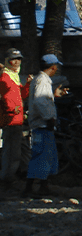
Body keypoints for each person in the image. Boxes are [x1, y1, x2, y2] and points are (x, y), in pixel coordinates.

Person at [25, 54, 62, 198]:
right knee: (40, 156)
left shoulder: (40, 80)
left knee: (44, 157)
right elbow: (40, 102)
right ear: (53, 67)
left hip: (41, 124)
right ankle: (30, 188)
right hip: (42, 124)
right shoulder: (42, 81)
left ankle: (42, 187)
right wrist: (49, 118)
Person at [0, 48, 28, 183]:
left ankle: (12, 176)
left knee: (16, 150)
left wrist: (27, 85)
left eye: (19, 59)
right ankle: (7, 178)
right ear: (7, 61)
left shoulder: (14, 76)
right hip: (10, 120)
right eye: (13, 59)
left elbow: (21, 95)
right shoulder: (5, 78)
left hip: (16, 120)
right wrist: (14, 109)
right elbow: (6, 98)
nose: (16, 62)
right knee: (11, 152)